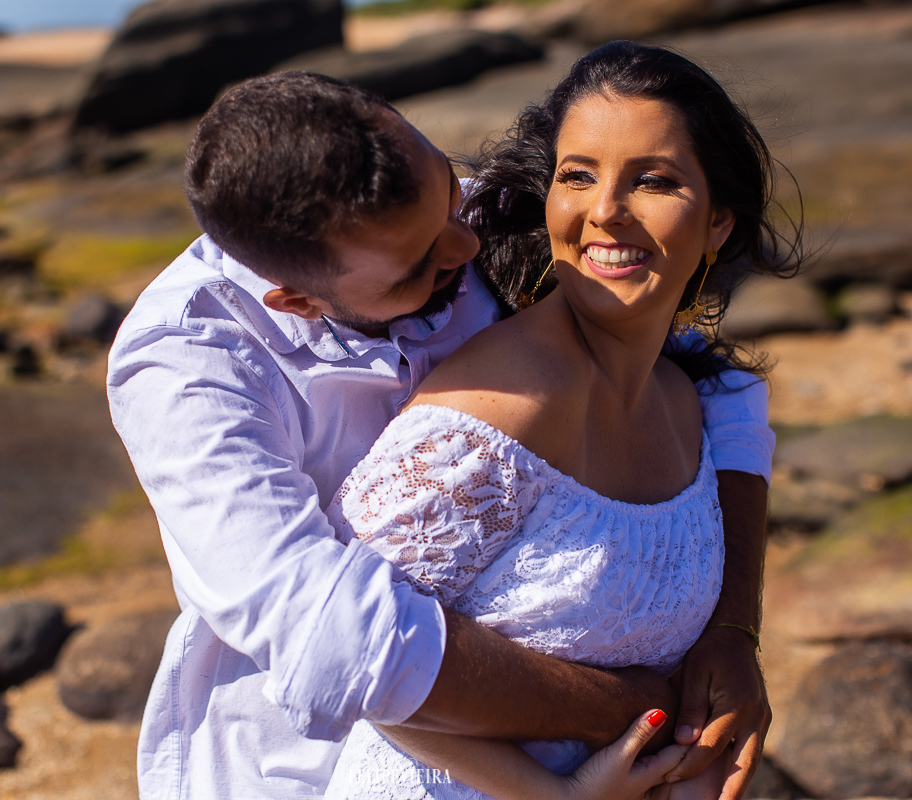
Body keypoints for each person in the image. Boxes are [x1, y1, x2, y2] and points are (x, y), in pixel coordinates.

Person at [106, 68, 775, 800]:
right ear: (297, 300)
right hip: (287, 765)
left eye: (452, 201)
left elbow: (712, 385)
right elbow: (335, 636)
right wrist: (629, 712)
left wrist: (731, 632)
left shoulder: (470, 210)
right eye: (421, 265)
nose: (468, 246)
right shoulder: (188, 366)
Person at [320, 40, 801, 800]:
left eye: (655, 181)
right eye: (578, 175)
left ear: (716, 225)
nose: (605, 211)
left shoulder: (689, 399)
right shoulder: (493, 411)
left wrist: (735, 637)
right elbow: (349, 656)